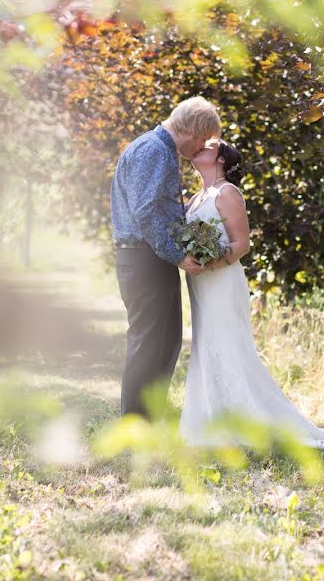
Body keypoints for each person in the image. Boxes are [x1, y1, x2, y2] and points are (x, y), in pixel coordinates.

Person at [180, 138, 324, 450]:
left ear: (222, 159)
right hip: (200, 284)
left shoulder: (227, 193)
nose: (199, 146)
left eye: (208, 146)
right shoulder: (199, 196)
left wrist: (211, 262)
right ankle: (213, 425)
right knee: (207, 347)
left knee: (228, 348)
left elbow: (242, 244)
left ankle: (253, 427)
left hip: (221, 282)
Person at [110, 96, 221, 418]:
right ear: (191, 131)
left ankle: (148, 419)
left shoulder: (157, 149)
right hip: (145, 259)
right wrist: (177, 254)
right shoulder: (154, 151)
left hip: (150, 257)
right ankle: (134, 425)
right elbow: (146, 211)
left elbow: (158, 208)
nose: (201, 148)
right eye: (203, 140)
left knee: (165, 341)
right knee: (149, 343)